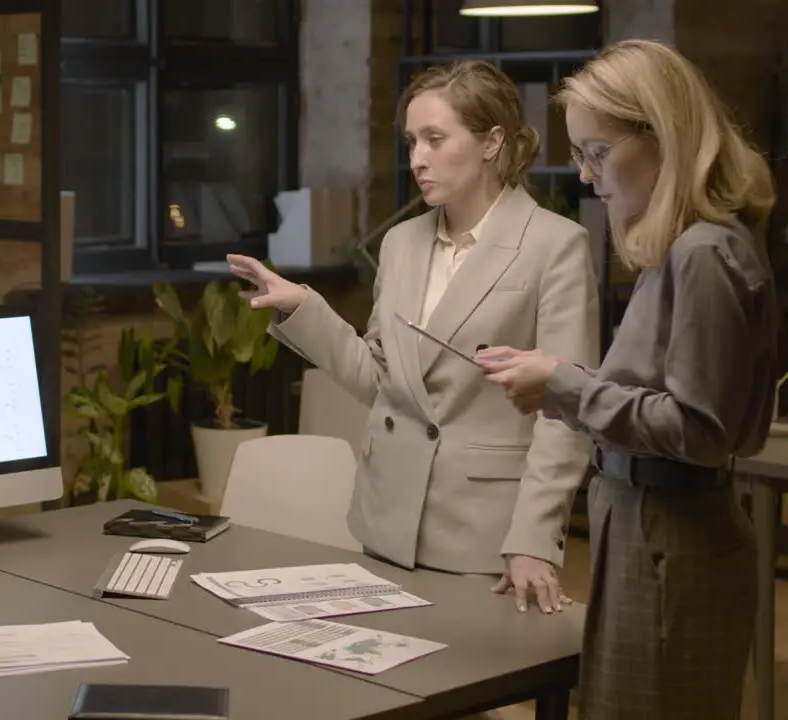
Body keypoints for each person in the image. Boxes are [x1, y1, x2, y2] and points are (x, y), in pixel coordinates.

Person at [229, 60, 599, 613]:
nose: (417, 159)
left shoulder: (556, 245)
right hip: (384, 521)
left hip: (485, 535)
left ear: (492, 141)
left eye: (434, 138)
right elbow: (381, 379)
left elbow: (565, 412)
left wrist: (533, 539)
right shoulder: (401, 243)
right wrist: (304, 307)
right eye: (411, 142)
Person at [478, 39, 777, 719]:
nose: (586, 176)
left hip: (674, 536)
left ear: (662, 132)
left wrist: (563, 384)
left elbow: (699, 430)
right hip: (644, 526)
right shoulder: (684, 244)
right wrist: (560, 379)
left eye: (598, 153)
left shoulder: (704, 251)